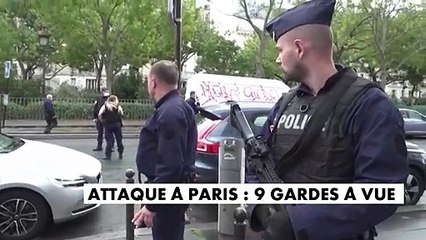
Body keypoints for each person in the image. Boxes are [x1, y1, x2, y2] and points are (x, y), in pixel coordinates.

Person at [246, 0, 409, 240]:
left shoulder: (370, 106)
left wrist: (299, 223)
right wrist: (258, 208)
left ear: (300, 49)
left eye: (281, 50)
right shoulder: (285, 103)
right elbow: (256, 161)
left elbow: (382, 192)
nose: (278, 60)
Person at [132, 60, 197, 240]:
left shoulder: (170, 112)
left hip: (168, 196)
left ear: (153, 82)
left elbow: (171, 165)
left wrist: (152, 205)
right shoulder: (176, 107)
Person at [98, 95, 124, 160]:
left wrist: (103, 122)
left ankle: (108, 155)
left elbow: (100, 114)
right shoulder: (118, 106)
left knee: (109, 140)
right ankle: (120, 153)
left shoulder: (105, 106)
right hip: (117, 125)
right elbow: (121, 114)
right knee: (119, 140)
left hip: (108, 125)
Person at [92, 87, 114, 151]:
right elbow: (96, 108)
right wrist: (95, 117)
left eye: (106, 91)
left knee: (109, 133)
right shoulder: (99, 99)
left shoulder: (111, 99)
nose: (105, 92)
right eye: (104, 91)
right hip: (100, 118)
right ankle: (99, 146)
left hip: (108, 119)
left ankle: (111, 146)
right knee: (100, 133)